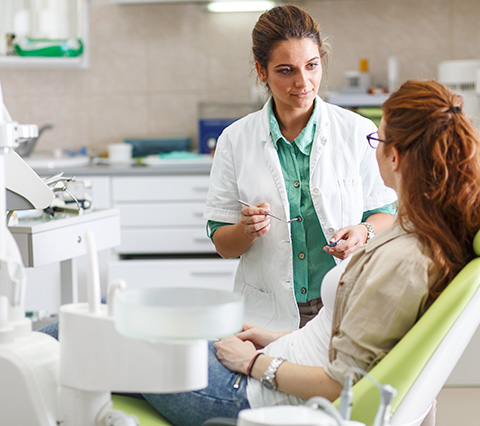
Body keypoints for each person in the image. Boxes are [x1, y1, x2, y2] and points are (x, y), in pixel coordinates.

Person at [40, 79, 480, 425]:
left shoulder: (403, 260)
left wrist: (254, 362)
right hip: (276, 358)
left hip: (258, 395)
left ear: (397, 156)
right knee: (99, 315)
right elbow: (339, 341)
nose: (373, 147)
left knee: (82, 332)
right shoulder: (416, 234)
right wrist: (272, 340)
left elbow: (342, 385)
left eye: (378, 140)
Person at [203, 5, 397, 330]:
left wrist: (364, 231)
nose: (303, 82)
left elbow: (386, 214)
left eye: (311, 66)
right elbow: (223, 244)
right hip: (267, 312)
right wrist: (245, 231)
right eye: (285, 70)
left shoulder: (357, 131)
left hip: (343, 305)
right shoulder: (234, 140)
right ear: (261, 71)